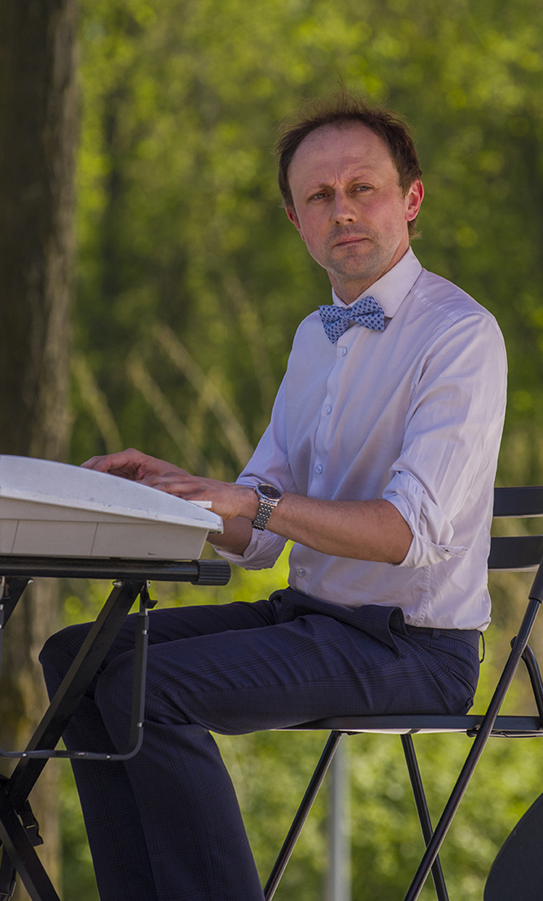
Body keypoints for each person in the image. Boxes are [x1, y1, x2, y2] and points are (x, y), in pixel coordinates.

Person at [39, 96, 507, 901]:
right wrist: (171, 493)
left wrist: (252, 504)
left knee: (148, 686)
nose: (342, 210)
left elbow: (406, 532)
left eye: (362, 188)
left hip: (412, 647)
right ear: (296, 220)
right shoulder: (313, 337)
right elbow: (254, 533)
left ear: (411, 200)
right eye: (319, 196)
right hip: (312, 616)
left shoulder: (459, 334)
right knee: (75, 657)